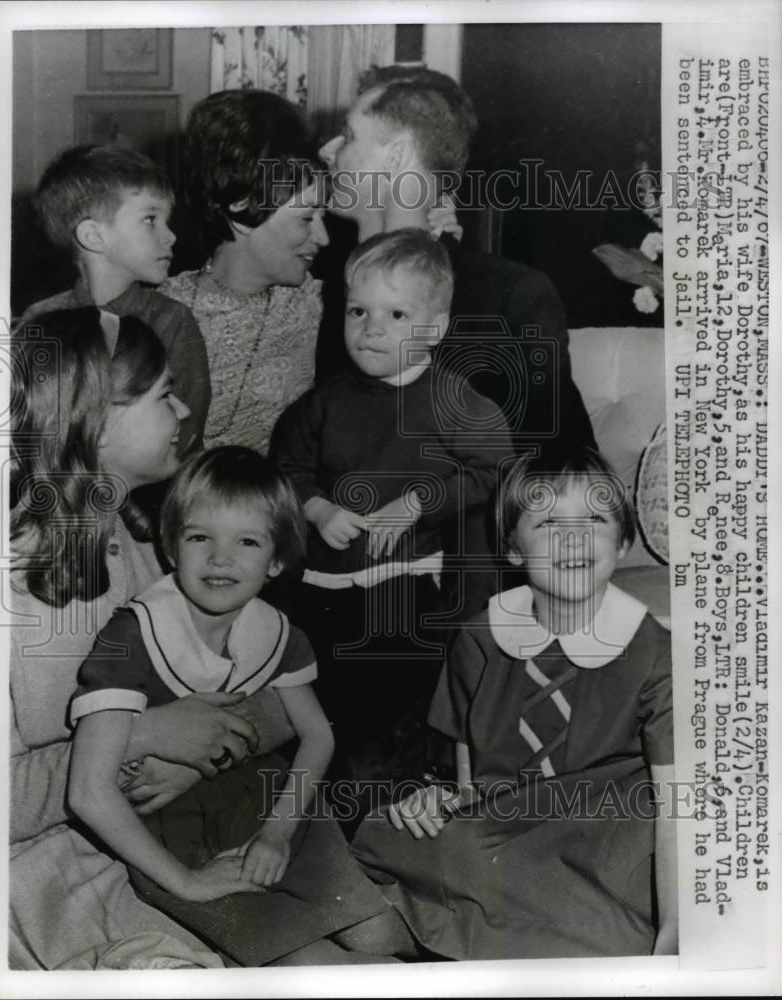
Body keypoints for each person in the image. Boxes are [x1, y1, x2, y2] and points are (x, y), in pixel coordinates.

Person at [8, 308, 295, 970]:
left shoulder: (140, 539)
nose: (186, 408)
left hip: (165, 830)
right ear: (98, 422)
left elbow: (267, 693)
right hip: (55, 878)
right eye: (166, 393)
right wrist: (143, 738)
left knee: (366, 933)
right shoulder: (15, 582)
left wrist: (196, 747)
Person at [347, 443, 678, 960]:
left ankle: (477, 931)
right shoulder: (480, 638)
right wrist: (436, 801)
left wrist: (675, 933)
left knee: (621, 902)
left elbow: (680, 807)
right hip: (504, 825)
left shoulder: (656, 651)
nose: (573, 536)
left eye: (594, 517)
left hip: (601, 830)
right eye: (547, 523)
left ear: (624, 540)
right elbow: (467, 781)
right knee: (389, 839)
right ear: (513, 550)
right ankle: (470, 927)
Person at [67, 446, 389, 967]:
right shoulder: (135, 634)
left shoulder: (277, 632)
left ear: (277, 559)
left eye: (247, 541)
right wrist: (188, 885)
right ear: (171, 548)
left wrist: (278, 833)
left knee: (380, 936)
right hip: (175, 841)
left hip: (264, 807)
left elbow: (318, 735)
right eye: (200, 538)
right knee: (308, 962)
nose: (220, 559)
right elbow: (87, 791)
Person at [316, 65, 597, 619]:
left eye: (349, 134)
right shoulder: (323, 290)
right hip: (332, 578)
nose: (328, 150)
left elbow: (553, 463)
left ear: (395, 156)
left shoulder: (509, 294)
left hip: (465, 596)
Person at [274, 230, 510, 811]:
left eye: (395, 313)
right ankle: (331, 817)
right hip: (322, 587)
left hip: (403, 587)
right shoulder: (325, 401)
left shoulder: (454, 401)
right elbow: (289, 468)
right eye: (358, 310)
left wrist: (417, 502)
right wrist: (318, 507)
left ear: (434, 327)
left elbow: (496, 468)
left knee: (391, 712)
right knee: (321, 709)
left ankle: (391, 809)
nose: (371, 328)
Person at [160, 90, 329, 454]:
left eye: (323, 216)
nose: (323, 237)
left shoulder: (321, 306)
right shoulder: (157, 314)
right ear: (242, 206)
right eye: (306, 218)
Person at [18, 145, 210, 455]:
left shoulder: (173, 321)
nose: (170, 235)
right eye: (150, 220)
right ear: (94, 236)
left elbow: (187, 434)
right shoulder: (40, 319)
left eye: (167, 221)